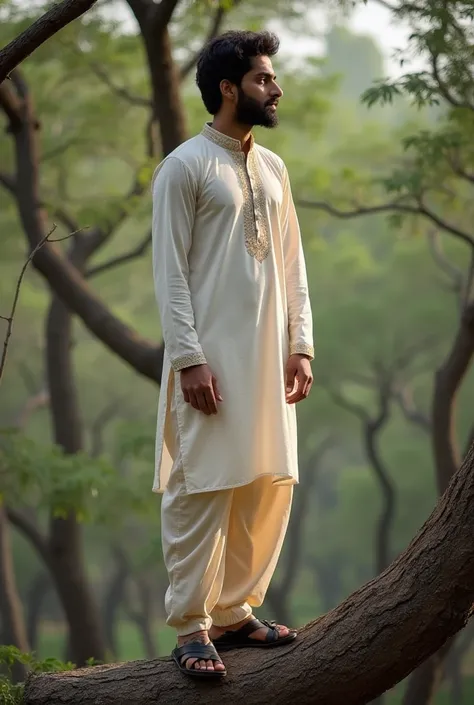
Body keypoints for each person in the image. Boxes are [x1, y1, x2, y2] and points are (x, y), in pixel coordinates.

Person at [151, 29, 314, 679]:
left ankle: (234, 611)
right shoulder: (185, 166)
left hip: (268, 360)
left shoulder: (273, 168)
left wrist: (300, 344)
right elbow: (169, 273)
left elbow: (294, 263)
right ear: (228, 87)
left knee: (267, 481)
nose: (276, 88)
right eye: (263, 78)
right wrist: (188, 358)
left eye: (272, 79)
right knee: (202, 487)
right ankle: (191, 625)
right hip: (210, 362)